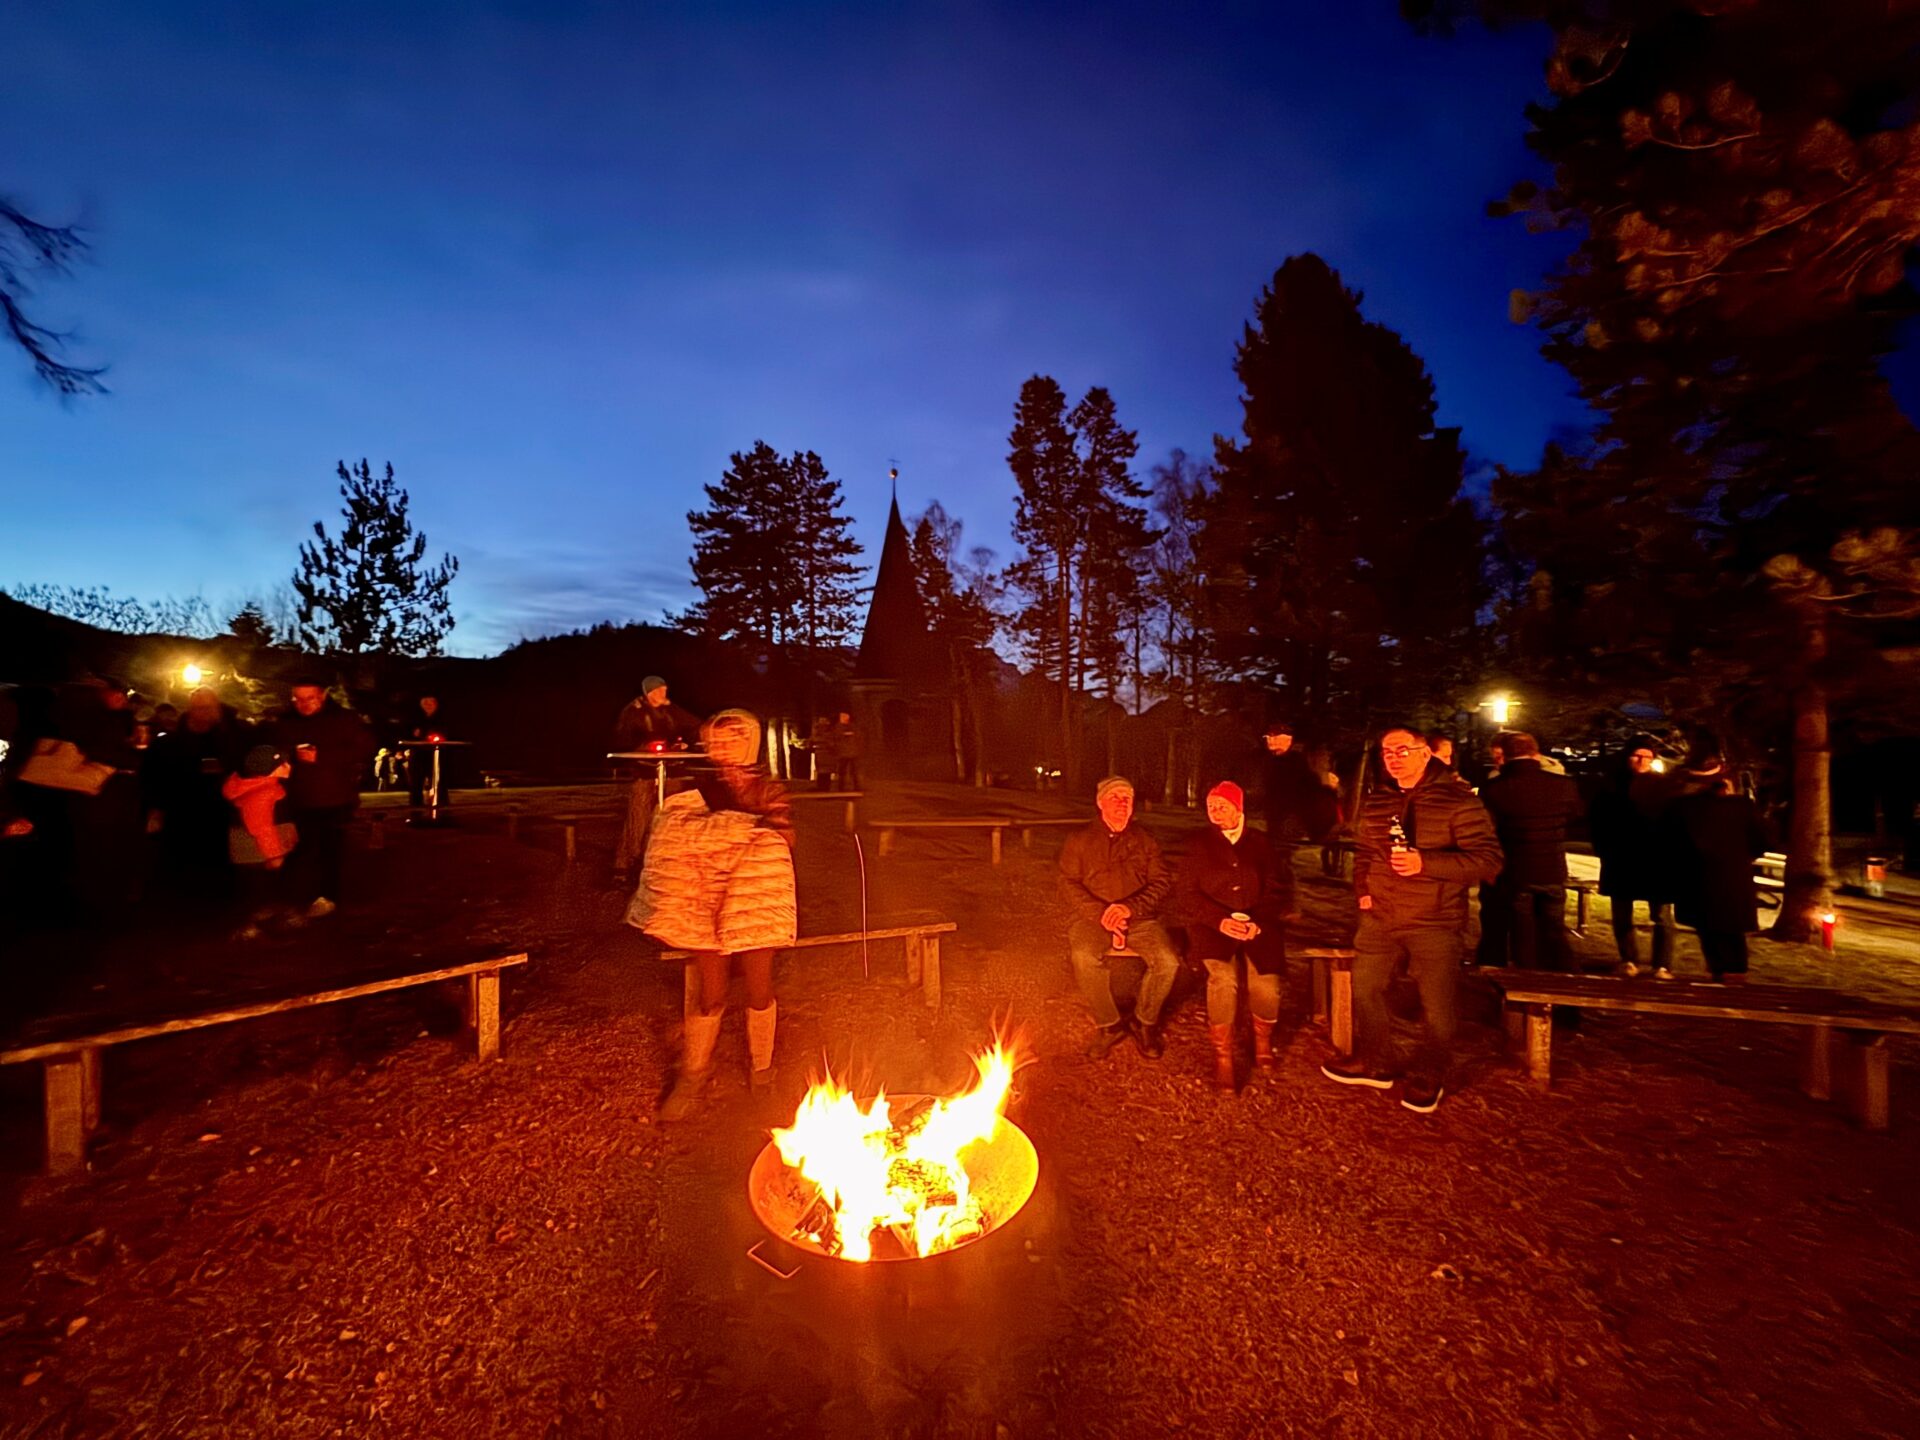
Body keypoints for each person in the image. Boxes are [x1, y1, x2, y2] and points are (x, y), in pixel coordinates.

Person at [1323, 727, 1503, 1113]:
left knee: (1436, 1004)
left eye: (1402, 749)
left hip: (1433, 919)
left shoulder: (1458, 801)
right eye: (1387, 751)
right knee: (1366, 988)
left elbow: (1489, 861)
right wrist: (1363, 892)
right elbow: (1366, 851)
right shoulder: (1379, 799)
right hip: (1381, 915)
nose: (1393, 757)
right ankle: (1378, 1061)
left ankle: (1429, 1074)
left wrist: (1427, 863)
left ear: (1426, 754)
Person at [628, 709, 795, 1119]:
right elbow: (675, 836)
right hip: (704, 902)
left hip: (756, 901)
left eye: (734, 739)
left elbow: (781, 841)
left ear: (750, 742)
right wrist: (730, 833)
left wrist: (741, 835)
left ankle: (762, 1072)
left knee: (759, 987)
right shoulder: (697, 787)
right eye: (717, 741)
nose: (724, 748)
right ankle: (694, 1074)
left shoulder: (769, 788)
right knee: (711, 991)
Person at [1176, 780, 1294, 1092]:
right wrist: (1219, 921)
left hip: (1259, 926)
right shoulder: (1197, 844)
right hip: (1212, 928)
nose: (1215, 811)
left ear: (1238, 809)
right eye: (1211, 806)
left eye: (1222, 805)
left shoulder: (1261, 844)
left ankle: (1263, 1045)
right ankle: (1224, 1057)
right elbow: (1186, 894)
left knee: (1266, 983)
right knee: (1223, 980)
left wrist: (1260, 922)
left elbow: (1277, 889)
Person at [1058, 776, 1180, 1060]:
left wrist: (1130, 908)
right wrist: (1101, 913)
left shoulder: (1145, 840)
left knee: (1168, 961)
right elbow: (1067, 883)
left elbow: (1161, 881)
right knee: (1084, 956)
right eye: (1115, 798)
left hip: (1140, 919)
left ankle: (1144, 1020)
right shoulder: (1080, 840)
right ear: (1100, 803)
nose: (1122, 804)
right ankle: (1109, 1024)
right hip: (1092, 918)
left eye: (1127, 798)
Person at [268, 677, 374, 918]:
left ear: (323, 696)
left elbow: (363, 749)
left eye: (310, 699)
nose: (303, 704)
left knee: (330, 849)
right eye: (298, 699)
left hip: (334, 797)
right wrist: (288, 757)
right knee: (296, 849)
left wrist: (323, 757)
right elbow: (276, 749)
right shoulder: (287, 721)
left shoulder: (344, 720)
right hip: (296, 796)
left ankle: (328, 896)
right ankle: (291, 897)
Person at [1478, 732, 1585, 969]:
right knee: (1554, 931)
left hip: (1517, 872)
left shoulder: (1495, 789)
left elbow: (1487, 828)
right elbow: (1576, 815)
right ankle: (1565, 985)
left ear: (1504, 756)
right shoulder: (1564, 785)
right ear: (1536, 753)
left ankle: (1529, 991)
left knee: (1524, 936)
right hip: (1553, 871)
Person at [1630, 729, 1728, 979]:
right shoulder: (1674, 786)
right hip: (1672, 858)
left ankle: (1713, 968)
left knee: (1697, 917)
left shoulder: (1680, 786)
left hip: (1684, 859)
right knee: (1676, 914)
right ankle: (1712, 968)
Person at [142, 686, 251, 903]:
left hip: (217, 811)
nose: (203, 713)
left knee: (215, 861)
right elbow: (153, 775)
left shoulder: (230, 737)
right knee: (180, 861)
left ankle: (214, 906)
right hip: (181, 811)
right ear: (189, 709)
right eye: (198, 708)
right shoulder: (170, 742)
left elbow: (243, 765)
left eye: (208, 708)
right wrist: (156, 807)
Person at [1667, 777, 1770, 983]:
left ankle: (1718, 968)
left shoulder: (1684, 807)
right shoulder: (1742, 807)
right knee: (1733, 928)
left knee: (1707, 926)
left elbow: (1671, 839)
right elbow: (1762, 839)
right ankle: (1735, 970)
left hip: (1697, 874)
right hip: (1734, 873)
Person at [611, 675, 703, 881]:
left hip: (671, 771)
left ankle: (670, 859)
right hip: (645, 772)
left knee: (673, 813)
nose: (664, 694)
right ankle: (625, 865)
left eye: (665, 689)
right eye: (660, 691)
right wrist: (642, 747)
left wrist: (685, 743)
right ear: (650, 693)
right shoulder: (633, 712)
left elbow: (695, 725)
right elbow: (621, 739)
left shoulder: (671, 710)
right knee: (638, 818)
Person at [1590, 736, 1669, 975]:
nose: (1642, 760)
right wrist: (1604, 849)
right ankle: (1628, 959)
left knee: (1662, 916)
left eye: (1647, 756)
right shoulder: (1612, 786)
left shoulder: (1663, 787)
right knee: (1622, 914)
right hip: (1621, 858)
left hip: (1657, 859)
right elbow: (1598, 821)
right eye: (1637, 755)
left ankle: (1662, 964)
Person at [221, 743, 298, 939]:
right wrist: (274, 854)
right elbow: (261, 827)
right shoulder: (261, 793)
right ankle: (251, 926)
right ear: (269, 769)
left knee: (261, 887)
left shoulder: (265, 786)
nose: (289, 766)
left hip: (258, 850)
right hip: (257, 852)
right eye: (283, 763)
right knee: (258, 889)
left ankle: (267, 918)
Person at [1260, 721, 1322, 845]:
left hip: (1292, 812)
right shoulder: (1269, 761)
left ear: (1288, 739)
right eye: (1269, 737)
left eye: (1275, 737)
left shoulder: (1296, 761)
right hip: (1275, 811)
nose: (1271, 740)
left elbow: (1303, 787)